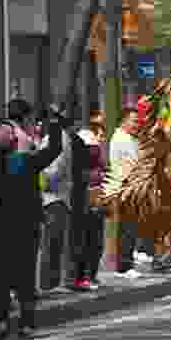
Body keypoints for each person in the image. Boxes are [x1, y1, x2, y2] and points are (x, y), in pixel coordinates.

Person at [0, 111, 62, 340]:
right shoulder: (25, 161)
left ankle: (0, 322)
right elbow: (54, 150)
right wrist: (53, 124)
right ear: (14, 142)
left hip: (1, 230)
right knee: (25, 275)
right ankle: (26, 322)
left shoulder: (21, 161)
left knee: (0, 276)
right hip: (26, 229)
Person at [38, 107, 74, 290]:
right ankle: (51, 282)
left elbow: (53, 172)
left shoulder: (58, 139)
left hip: (54, 199)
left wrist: (34, 177)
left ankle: (49, 284)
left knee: (51, 244)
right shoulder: (55, 138)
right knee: (51, 243)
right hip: (53, 198)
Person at [73, 111, 108, 289]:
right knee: (87, 239)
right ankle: (84, 276)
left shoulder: (97, 162)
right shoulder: (83, 166)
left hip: (97, 197)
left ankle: (91, 275)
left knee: (96, 240)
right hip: (86, 199)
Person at [109, 108, 142, 278]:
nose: (136, 124)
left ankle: (127, 263)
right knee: (127, 227)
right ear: (124, 121)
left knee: (130, 226)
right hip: (126, 186)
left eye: (137, 121)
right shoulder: (120, 138)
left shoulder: (130, 138)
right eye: (133, 121)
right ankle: (123, 266)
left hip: (133, 186)